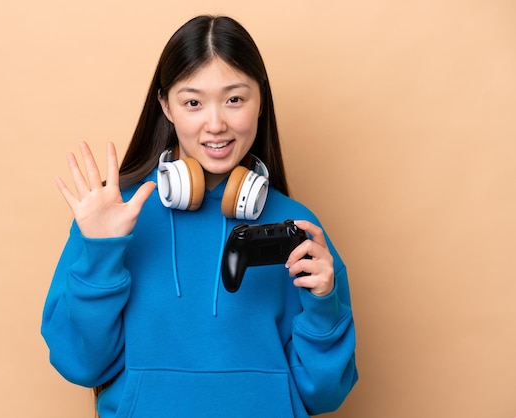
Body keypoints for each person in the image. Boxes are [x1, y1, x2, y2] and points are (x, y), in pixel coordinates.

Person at [41, 14, 358, 417]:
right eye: (193, 102)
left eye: (235, 99)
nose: (215, 125)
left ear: (261, 100)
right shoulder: (114, 216)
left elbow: (324, 395)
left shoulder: (296, 228)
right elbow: (81, 365)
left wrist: (322, 304)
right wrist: (101, 253)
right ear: (166, 107)